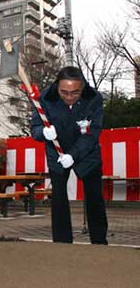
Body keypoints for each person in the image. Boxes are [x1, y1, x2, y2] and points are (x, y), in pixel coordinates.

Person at [30, 66, 108, 244]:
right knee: (58, 197)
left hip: (87, 151)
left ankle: (99, 241)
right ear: (57, 86)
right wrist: (43, 132)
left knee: (94, 195)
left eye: (75, 92)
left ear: (82, 87)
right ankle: (62, 242)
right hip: (56, 152)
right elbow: (34, 129)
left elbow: (92, 133)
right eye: (64, 92)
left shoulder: (94, 99)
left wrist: (73, 155)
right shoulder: (44, 98)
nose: (69, 97)